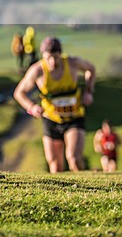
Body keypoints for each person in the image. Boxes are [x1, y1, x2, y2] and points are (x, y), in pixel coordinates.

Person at [13, 36, 96, 173]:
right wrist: (32, 107)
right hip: (51, 119)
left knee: (74, 159)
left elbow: (91, 69)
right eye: (48, 58)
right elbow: (19, 93)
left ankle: (84, 187)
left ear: (60, 54)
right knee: (55, 166)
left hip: (74, 117)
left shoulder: (72, 63)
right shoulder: (37, 71)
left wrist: (89, 91)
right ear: (43, 56)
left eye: (56, 58)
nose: (52, 62)